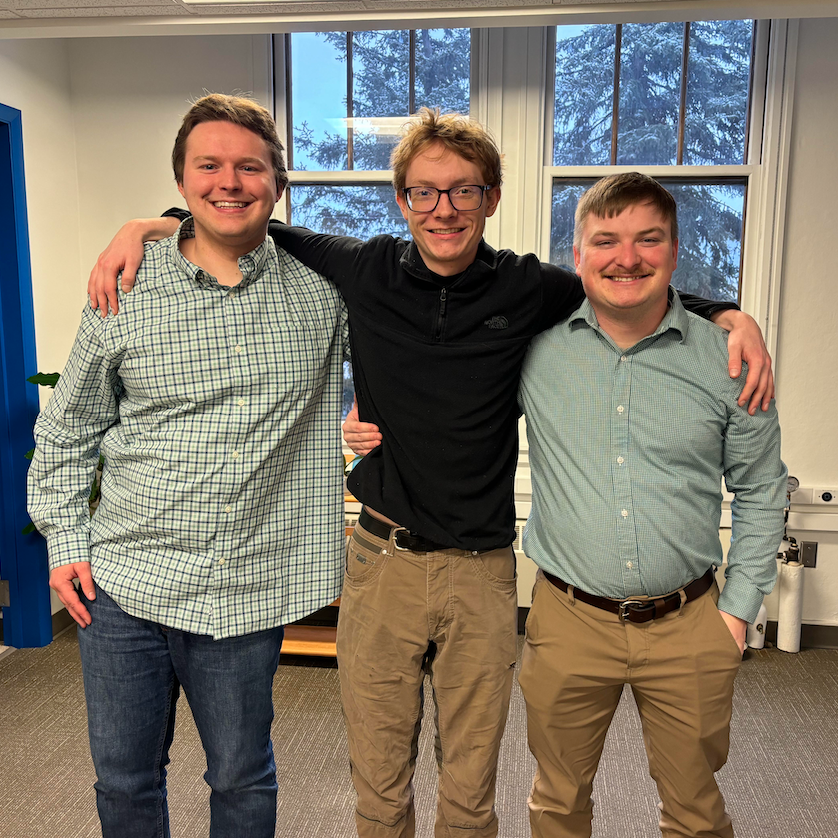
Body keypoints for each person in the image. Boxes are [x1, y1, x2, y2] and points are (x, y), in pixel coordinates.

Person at [87, 110, 773, 838]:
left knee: (471, 791)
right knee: (378, 786)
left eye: (464, 191)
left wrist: (729, 314)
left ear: (491, 198)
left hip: (481, 575)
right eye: (424, 192)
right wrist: (150, 223)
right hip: (381, 564)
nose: (443, 209)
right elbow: (242, 222)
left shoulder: (526, 287)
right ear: (402, 200)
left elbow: (621, 282)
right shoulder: (362, 268)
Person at [28, 94, 348, 838]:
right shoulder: (125, 291)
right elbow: (68, 430)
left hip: (247, 589)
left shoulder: (325, 296)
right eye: (209, 166)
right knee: (124, 780)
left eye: (249, 167)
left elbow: (421, 336)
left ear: (278, 183)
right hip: (123, 587)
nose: (228, 182)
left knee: (241, 775)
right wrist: (66, 542)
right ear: (181, 182)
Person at [514, 173, 787, 837]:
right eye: (605, 240)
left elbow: (761, 488)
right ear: (576, 255)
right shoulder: (531, 350)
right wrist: (361, 420)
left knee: (696, 811)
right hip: (567, 620)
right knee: (557, 803)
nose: (626, 257)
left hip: (691, 623)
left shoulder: (728, 359)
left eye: (648, 239)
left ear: (673, 248)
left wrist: (737, 612)